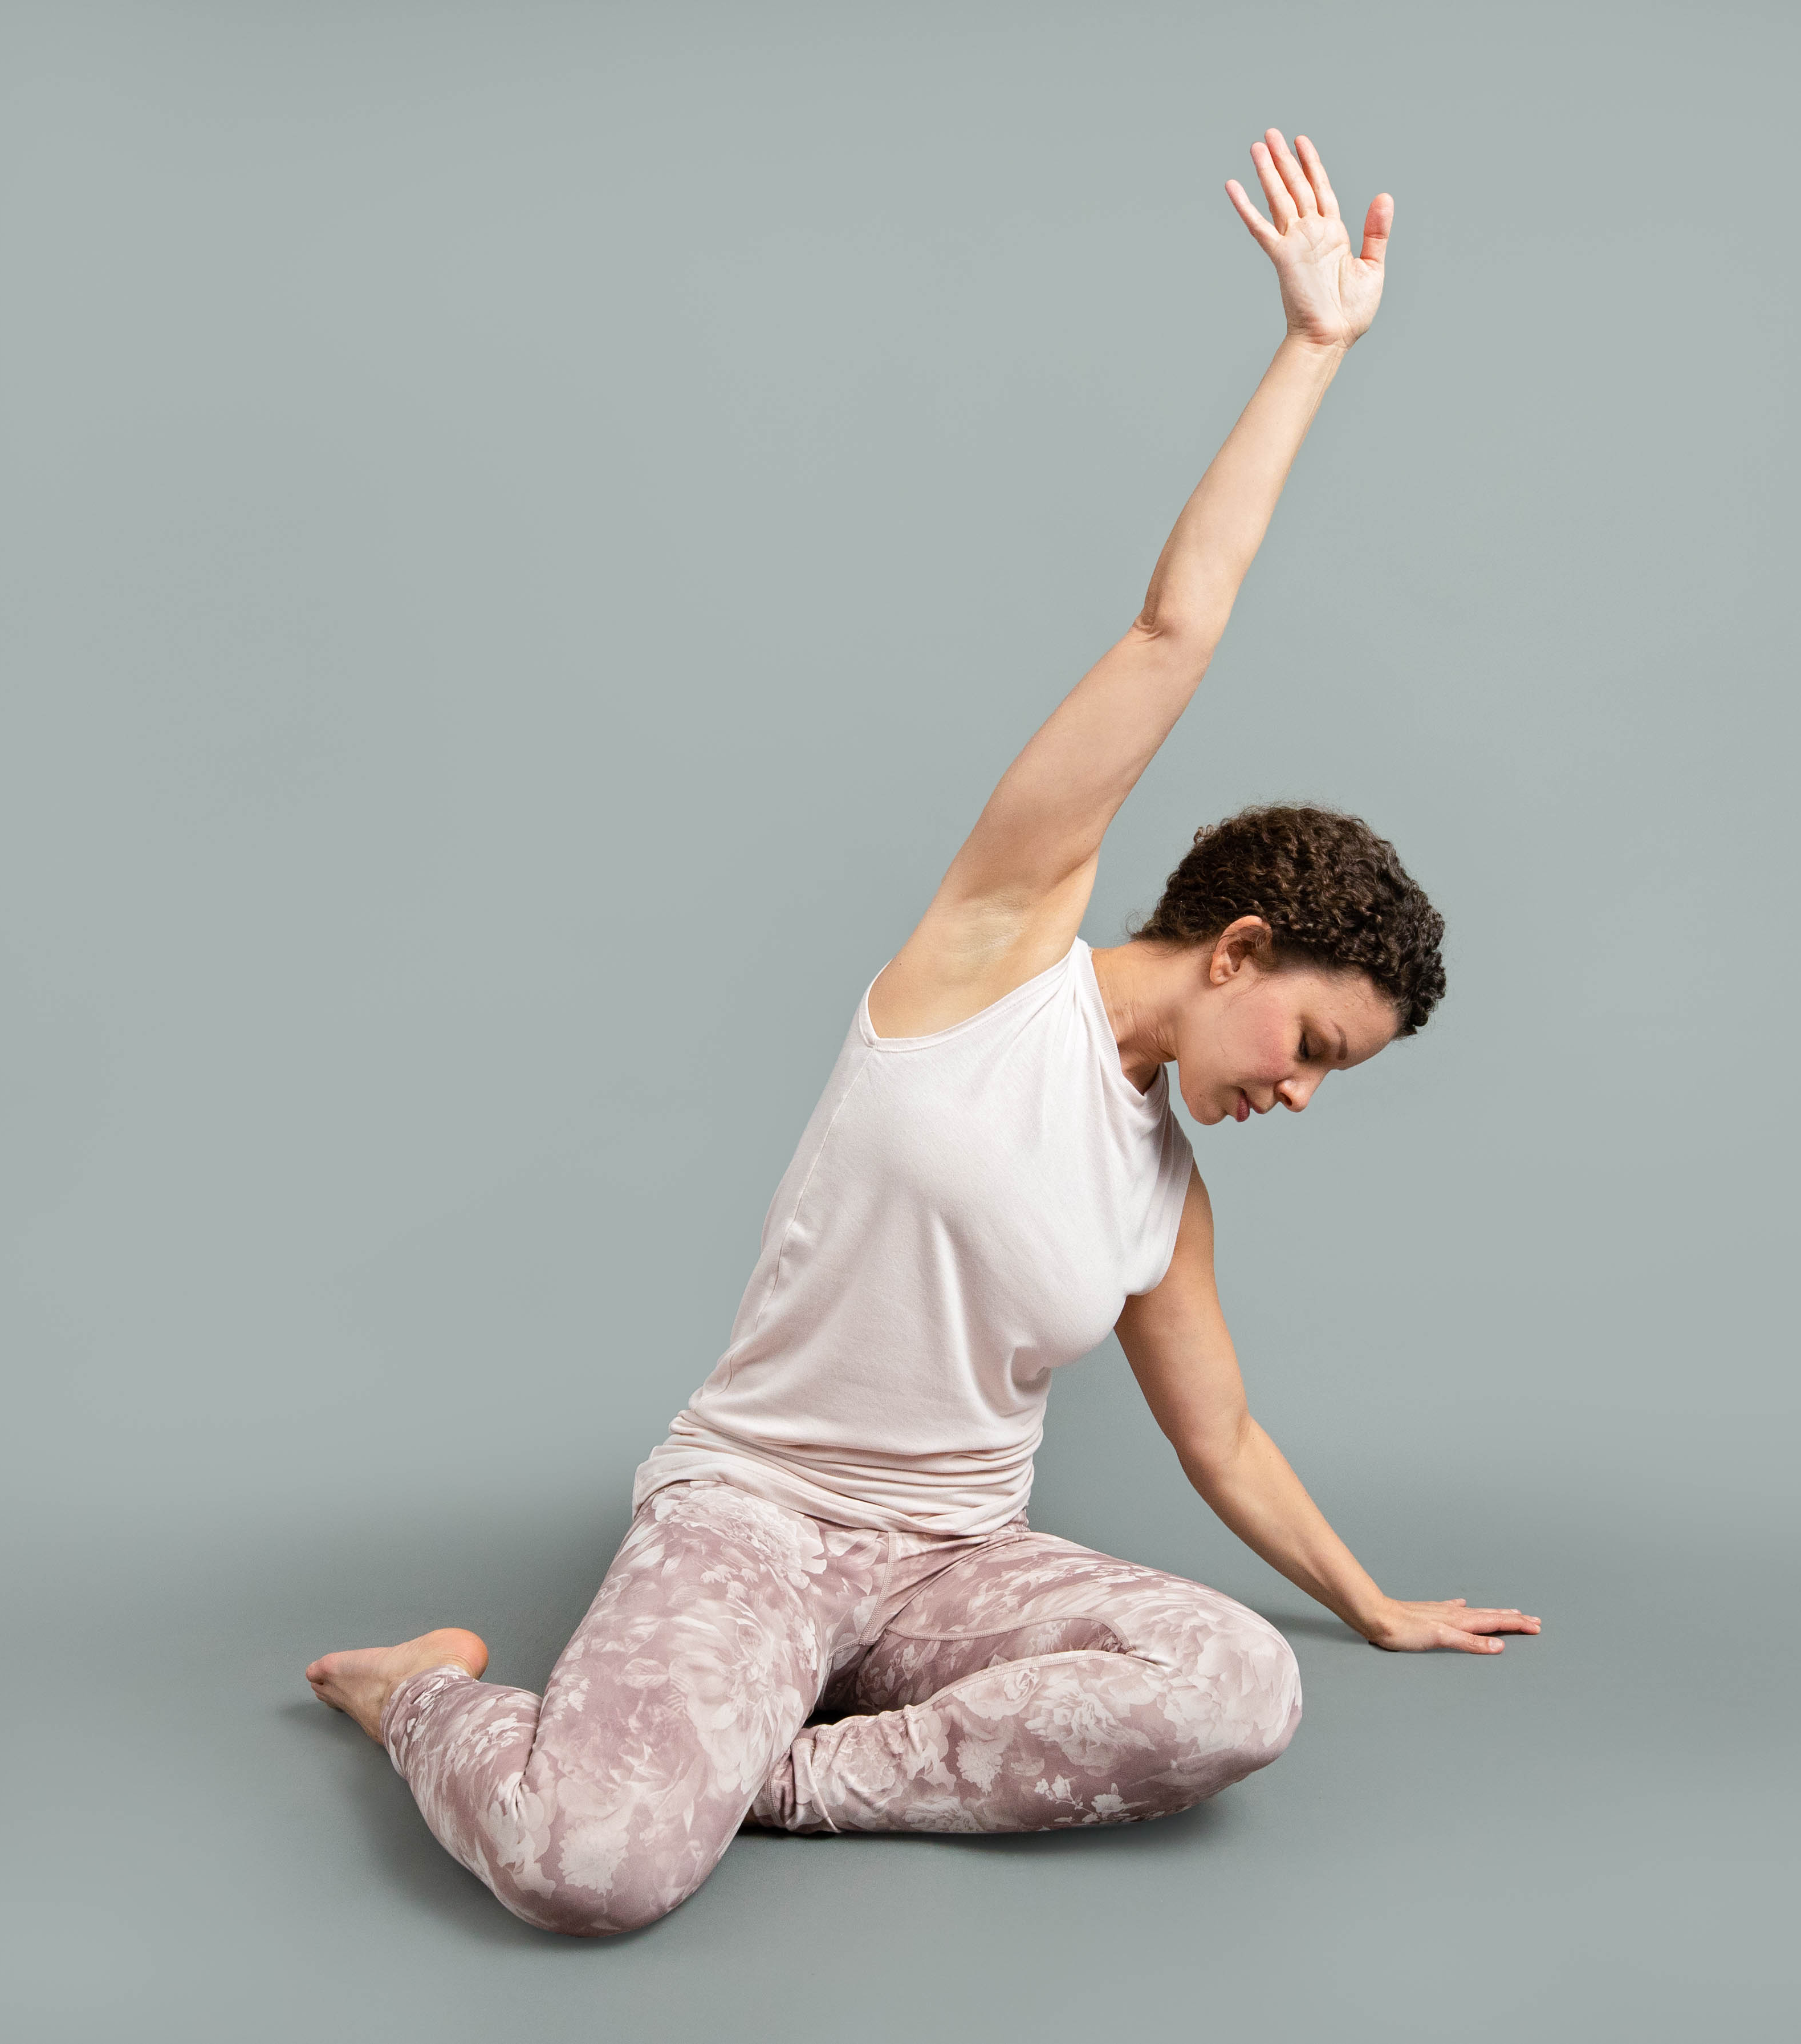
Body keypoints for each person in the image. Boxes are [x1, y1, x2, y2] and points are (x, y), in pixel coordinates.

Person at [306, 128, 1537, 1937]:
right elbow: (1173, 626)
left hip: (947, 1572)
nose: (1298, 1089)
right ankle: (416, 1687)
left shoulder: (1164, 1191)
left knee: (1236, 1690)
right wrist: (1312, 350)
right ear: (1238, 947)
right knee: (592, 1871)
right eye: (1313, 1044)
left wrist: (1369, 1605)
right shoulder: (991, 952)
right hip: (755, 1523)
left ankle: (746, 1775)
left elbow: (1225, 1442)